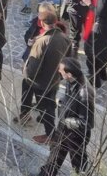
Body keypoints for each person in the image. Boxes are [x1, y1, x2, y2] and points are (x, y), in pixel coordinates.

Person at [29, 58, 96, 176]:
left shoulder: (85, 92)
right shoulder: (71, 82)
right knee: (54, 156)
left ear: (69, 74)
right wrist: (62, 104)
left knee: (79, 165)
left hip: (76, 136)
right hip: (64, 131)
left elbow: (87, 123)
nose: (59, 71)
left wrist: (66, 121)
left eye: (61, 70)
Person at [21, 10, 72, 140]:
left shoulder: (42, 41)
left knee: (45, 108)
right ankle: (46, 126)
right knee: (49, 106)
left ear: (42, 24)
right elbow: (69, 60)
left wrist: (27, 75)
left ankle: (50, 135)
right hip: (54, 80)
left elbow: (33, 66)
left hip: (40, 82)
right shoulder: (65, 38)